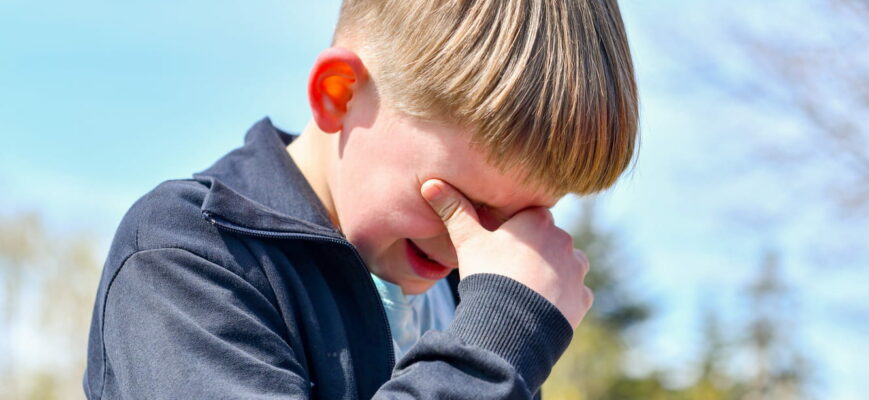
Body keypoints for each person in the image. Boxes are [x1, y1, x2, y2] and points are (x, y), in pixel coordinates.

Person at [83, 0, 638, 398]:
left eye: (520, 219)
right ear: (339, 93)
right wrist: (498, 340)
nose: (475, 245)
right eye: (457, 199)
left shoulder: (468, 299)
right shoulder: (187, 259)